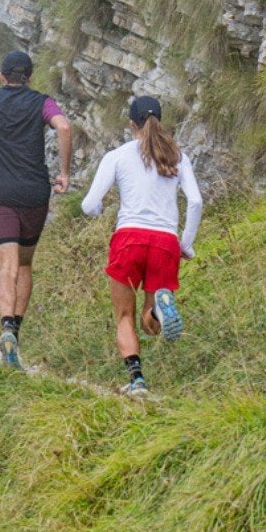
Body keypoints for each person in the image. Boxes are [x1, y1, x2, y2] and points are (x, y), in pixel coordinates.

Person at [81, 95, 202, 396]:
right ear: (161, 120)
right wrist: (185, 245)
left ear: (131, 124)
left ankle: (137, 380)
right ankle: (160, 309)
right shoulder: (178, 156)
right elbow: (196, 201)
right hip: (165, 242)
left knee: (124, 316)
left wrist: (98, 213)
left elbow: (89, 204)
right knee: (150, 322)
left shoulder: (118, 155)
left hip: (129, 238)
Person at [0, 49, 72, 368]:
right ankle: (15, 332)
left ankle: (5, 325)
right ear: (30, 77)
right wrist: (64, 173)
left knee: (5, 267)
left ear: (2, 77)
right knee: (24, 265)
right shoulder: (41, 101)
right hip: (34, 194)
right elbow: (63, 128)